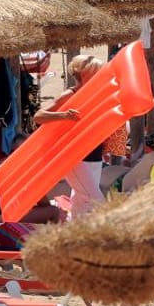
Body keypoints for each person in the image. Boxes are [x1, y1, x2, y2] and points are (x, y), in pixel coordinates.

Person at [33, 53, 108, 216]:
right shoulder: (70, 94)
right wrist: (64, 115)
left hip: (94, 154)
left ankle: (75, 236)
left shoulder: (96, 93)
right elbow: (38, 116)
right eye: (95, 71)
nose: (99, 74)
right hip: (74, 156)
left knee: (81, 201)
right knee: (95, 200)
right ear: (82, 74)